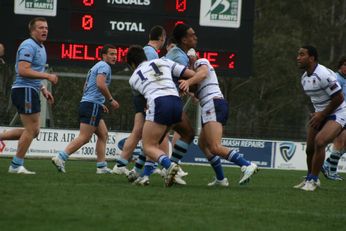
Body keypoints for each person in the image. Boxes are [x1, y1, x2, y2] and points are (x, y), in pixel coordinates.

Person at [179, 52, 258, 186]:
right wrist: (191, 91)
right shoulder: (194, 74)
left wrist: (188, 82)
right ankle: (221, 179)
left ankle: (247, 165)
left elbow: (203, 74)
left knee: (215, 147)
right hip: (211, 105)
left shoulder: (201, 62)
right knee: (203, 144)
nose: (188, 62)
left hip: (213, 104)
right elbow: (199, 88)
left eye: (190, 58)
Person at [126, 45, 196, 187]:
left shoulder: (133, 78)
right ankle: (143, 174)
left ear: (132, 64)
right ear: (144, 56)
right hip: (175, 101)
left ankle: (169, 165)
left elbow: (143, 101)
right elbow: (190, 74)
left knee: (149, 145)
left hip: (158, 103)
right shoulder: (163, 61)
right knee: (187, 133)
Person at [0, 17, 58, 174]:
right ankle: (16, 165)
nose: (45, 30)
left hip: (30, 89)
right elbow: (23, 70)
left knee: (34, 130)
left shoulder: (41, 47)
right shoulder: (28, 45)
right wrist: (47, 77)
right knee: (31, 129)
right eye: (40, 28)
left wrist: (43, 89)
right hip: (23, 90)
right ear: (32, 30)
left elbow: (33, 72)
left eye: (46, 27)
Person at [51, 44, 120, 174]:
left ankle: (101, 167)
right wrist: (110, 100)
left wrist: (99, 103)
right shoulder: (104, 66)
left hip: (90, 104)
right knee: (84, 137)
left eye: (116, 54)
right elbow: (100, 84)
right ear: (104, 55)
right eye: (111, 54)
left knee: (103, 134)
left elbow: (86, 87)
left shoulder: (96, 66)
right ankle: (61, 157)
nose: (114, 57)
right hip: (91, 105)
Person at [112, 25, 167, 175]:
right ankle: (153, 165)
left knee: (139, 132)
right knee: (151, 133)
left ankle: (122, 164)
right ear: (162, 38)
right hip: (146, 98)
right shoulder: (151, 53)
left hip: (143, 97)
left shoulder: (148, 51)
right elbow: (148, 78)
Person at [294, 45, 346, 191]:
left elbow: (339, 98)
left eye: (302, 54)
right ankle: (308, 178)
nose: (298, 57)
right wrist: (317, 113)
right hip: (321, 113)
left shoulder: (323, 74)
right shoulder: (304, 78)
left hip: (339, 112)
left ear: (312, 58)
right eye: (298, 54)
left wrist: (322, 114)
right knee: (309, 149)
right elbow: (319, 100)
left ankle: (314, 180)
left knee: (320, 141)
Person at [321, 56, 346, 181]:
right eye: (345, 65)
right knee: (340, 142)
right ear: (340, 65)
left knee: (342, 144)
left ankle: (326, 164)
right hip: (339, 114)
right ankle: (332, 171)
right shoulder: (336, 78)